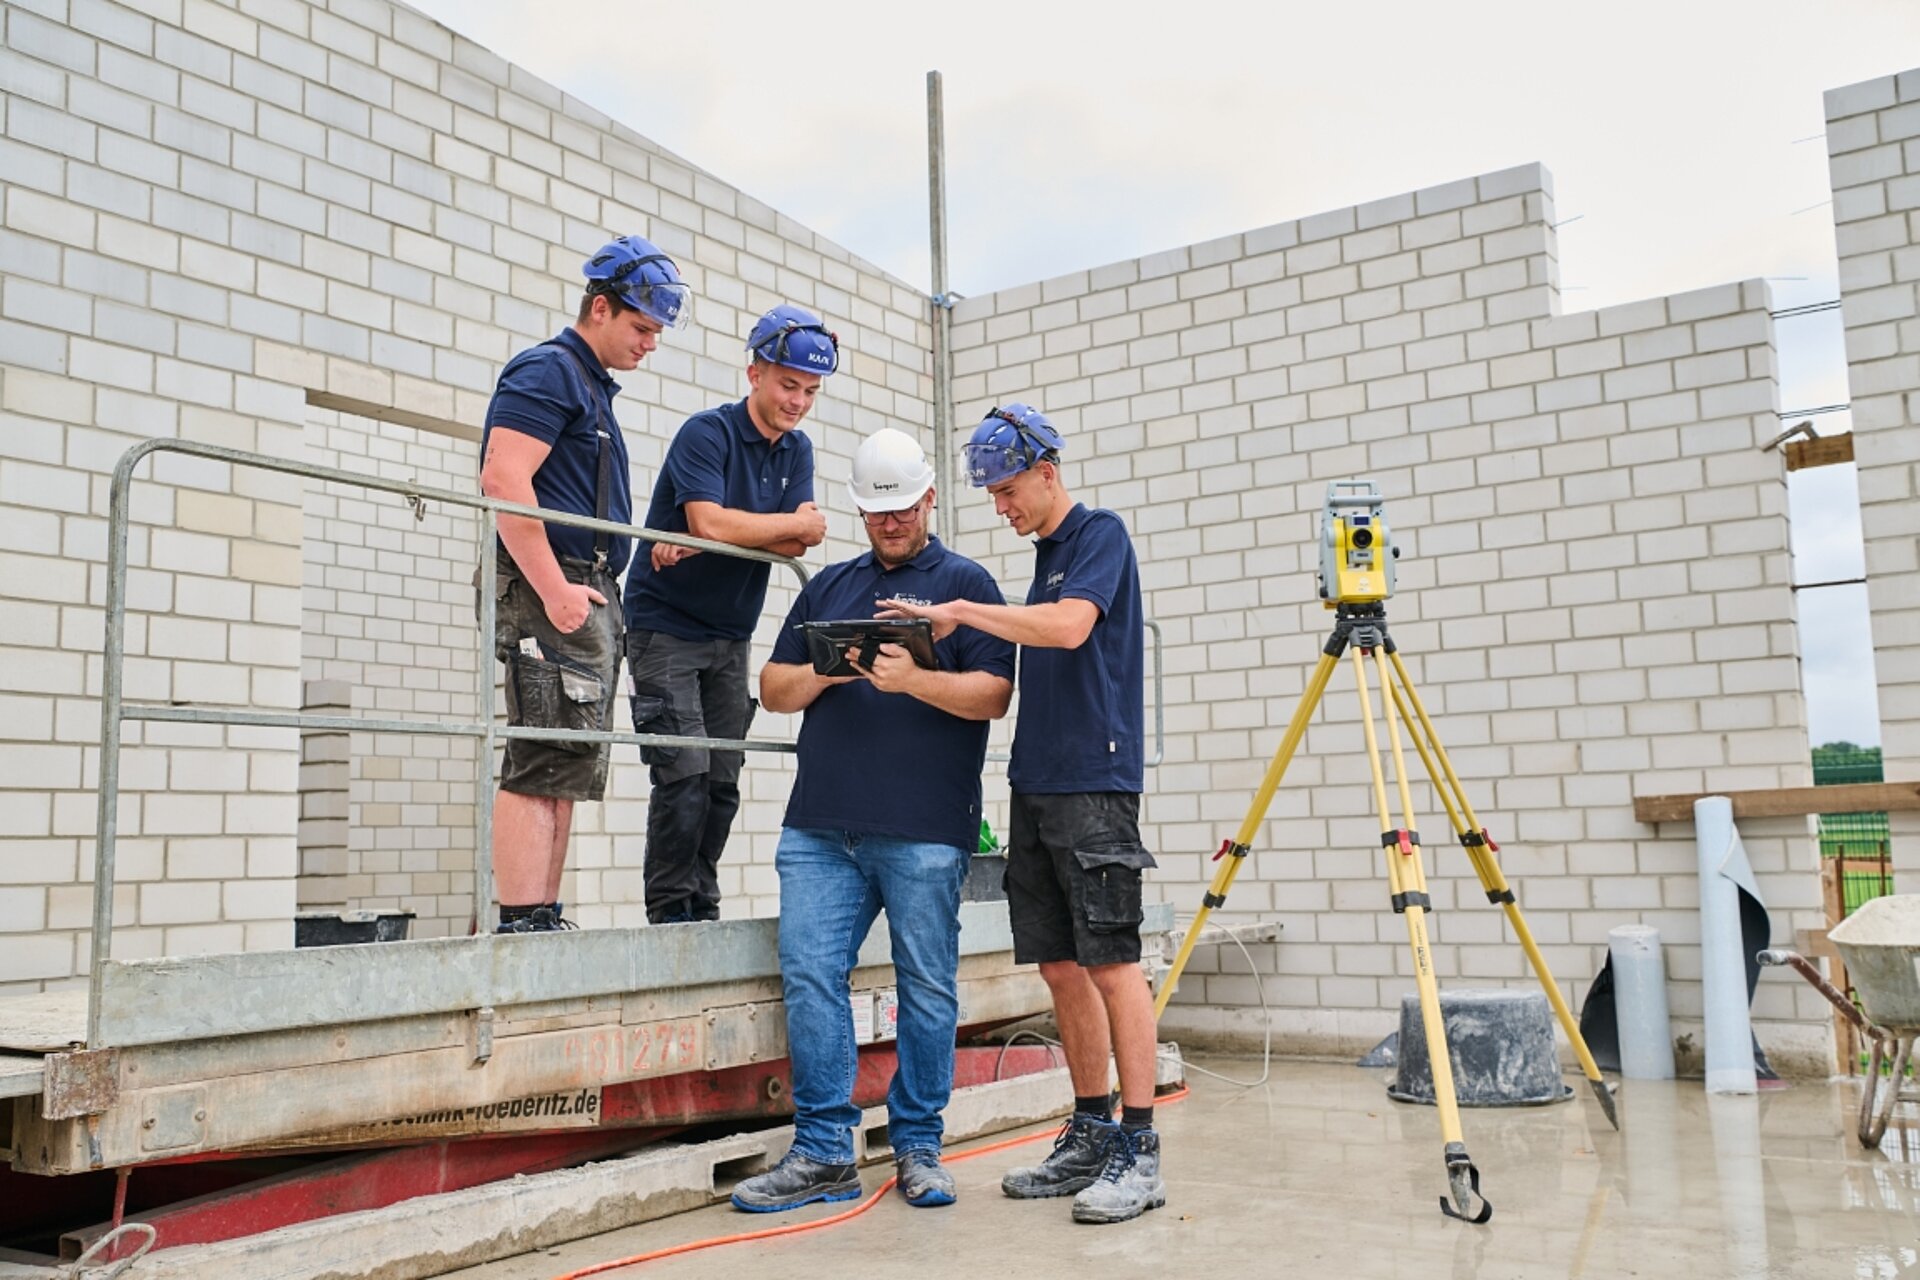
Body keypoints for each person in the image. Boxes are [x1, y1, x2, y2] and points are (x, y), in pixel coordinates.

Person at [879, 403, 1162, 1225]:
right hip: (1037, 784)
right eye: (993, 495)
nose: (1001, 508)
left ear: (1047, 471)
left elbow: (1071, 630)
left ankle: (1140, 1150)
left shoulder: (1098, 537)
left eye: (1008, 490)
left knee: (1112, 962)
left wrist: (962, 614)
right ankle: (1089, 1129)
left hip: (1094, 785)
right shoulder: (1045, 558)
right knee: (1061, 967)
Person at [729, 428, 1015, 1213]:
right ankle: (823, 1150)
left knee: (927, 985)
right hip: (821, 828)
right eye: (874, 512)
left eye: (901, 509)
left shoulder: (966, 584)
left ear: (928, 497)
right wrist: (831, 671)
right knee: (811, 978)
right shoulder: (829, 587)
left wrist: (915, 681)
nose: (889, 524)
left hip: (925, 829)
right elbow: (773, 688)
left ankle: (919, 1146)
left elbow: (993, 695)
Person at [477, 235, 692, 934]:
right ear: (599, 308)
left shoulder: (588, 385)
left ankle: (541, 914)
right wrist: (555, 591)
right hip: (554, 583)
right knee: (543, 752)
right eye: (640, 328)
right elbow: (504, 481)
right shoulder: (549, 372)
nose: (649, 344)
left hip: (582, 583)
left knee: (567, 760)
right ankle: (520, 919)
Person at [621, 305, 833, 924]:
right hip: (666, 624)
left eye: (810, 391)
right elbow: (725, 523)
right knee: (682, 773)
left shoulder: (797, 450)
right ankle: (669, 915)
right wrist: (758, 525)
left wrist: (716, 533)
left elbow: (799, 543)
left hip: (730, 633)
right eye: (788, 385)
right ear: (755, 374)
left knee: (721, 782)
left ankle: (701, 904)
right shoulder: (706, 434)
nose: (798, 402)